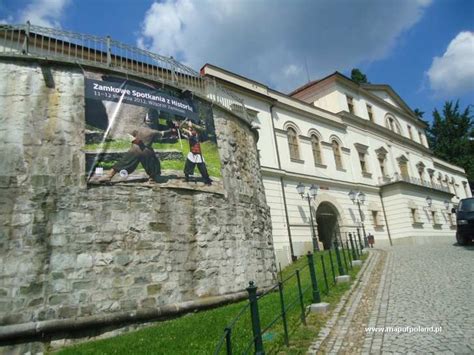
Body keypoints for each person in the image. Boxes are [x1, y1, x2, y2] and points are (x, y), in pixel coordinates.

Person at [102, 111, 175, 182]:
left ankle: (109, 176)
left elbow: (127, 135)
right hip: (146, 151)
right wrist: (172, 130)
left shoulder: (137, 128)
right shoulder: (154, 132)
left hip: (134, 150)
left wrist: (134, 140)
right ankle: (153, 177)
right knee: (153, 162)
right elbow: (163, 133)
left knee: (122, 163)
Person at [180, 120, 212, 185]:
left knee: (203, 169)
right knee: (187, 167)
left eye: (190, 128)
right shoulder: (189, 133)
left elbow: (193, 132)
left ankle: (207, 181)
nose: (189, 128)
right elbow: (183, 131)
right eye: (189, 128)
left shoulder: (195, 133)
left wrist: (191, 125)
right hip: (192, 153)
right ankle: (186, 178)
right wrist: (182, 125)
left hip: (198, 154)